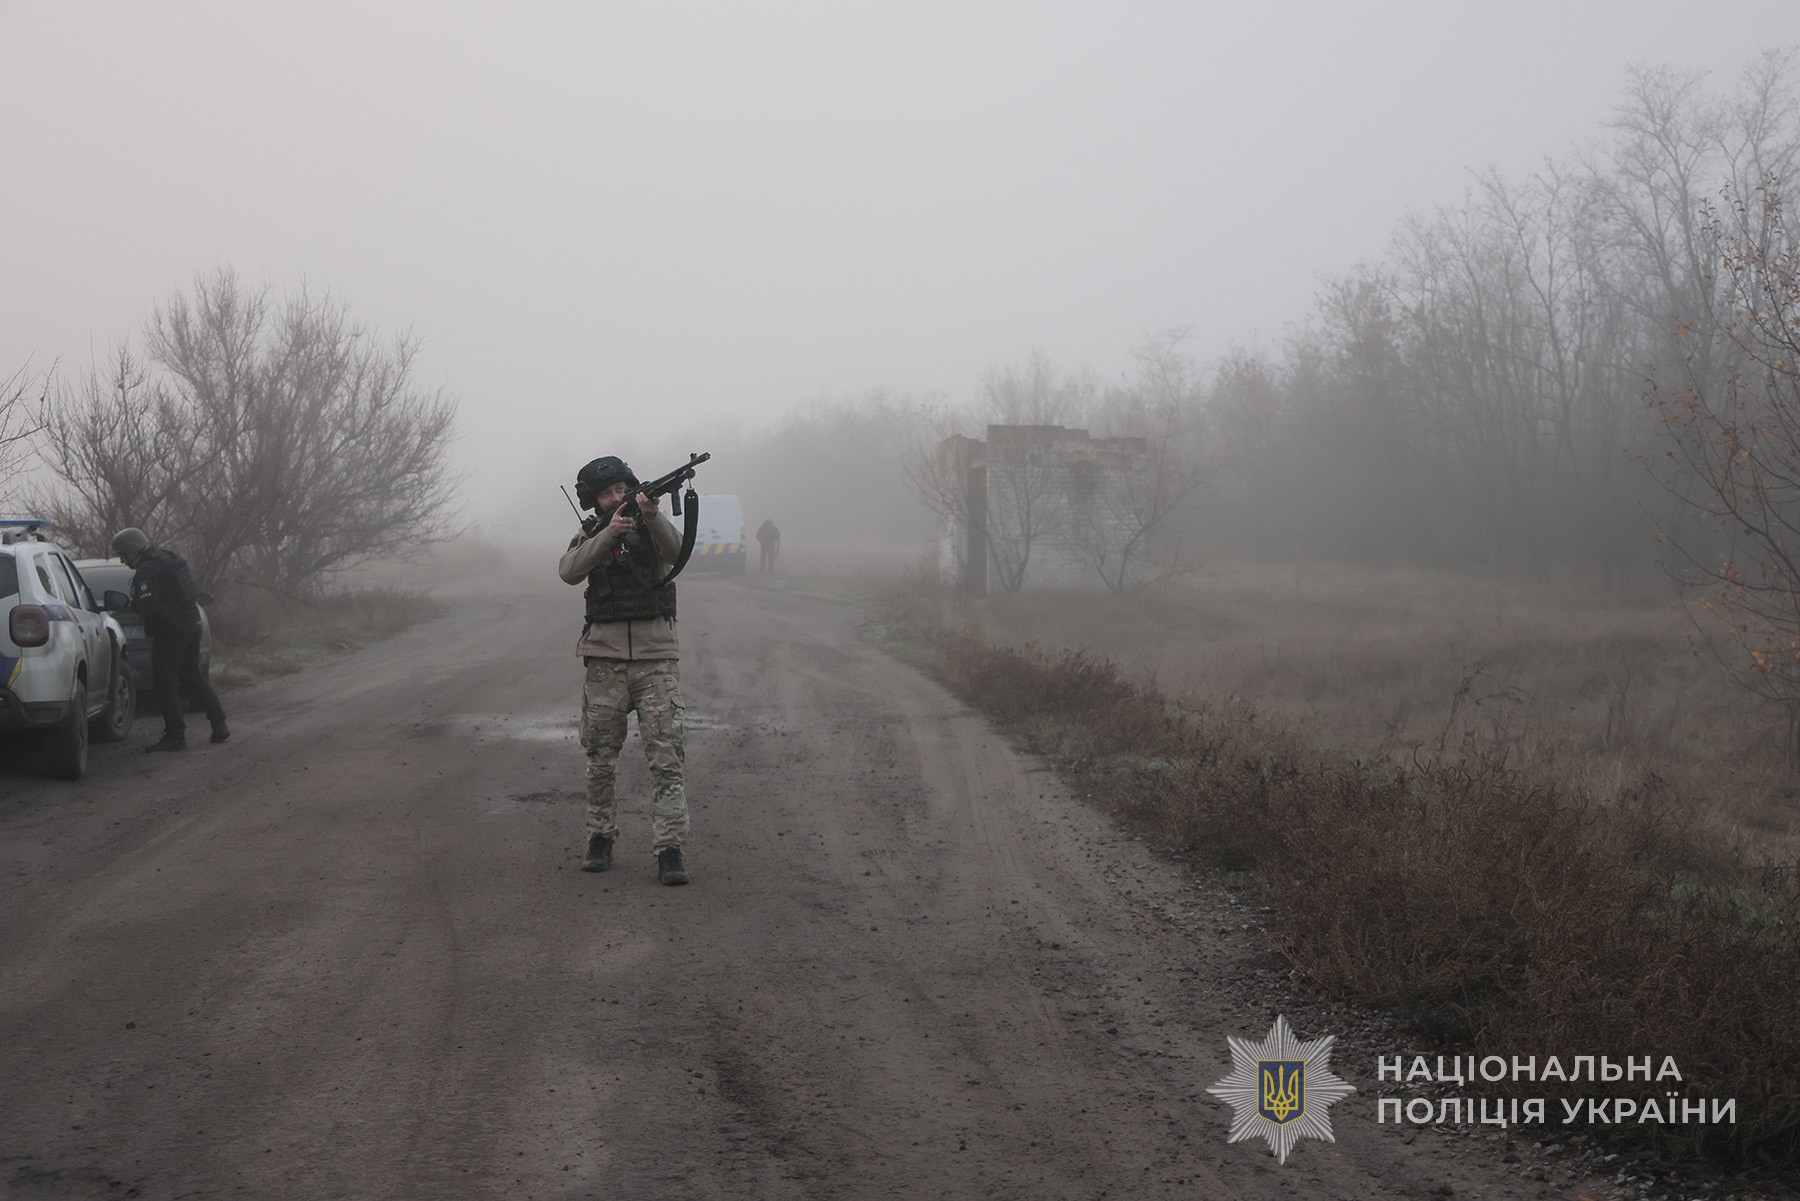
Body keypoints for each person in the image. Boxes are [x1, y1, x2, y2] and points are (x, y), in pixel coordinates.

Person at [557, 456, 691, 886]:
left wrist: (652, 517)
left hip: (656, 660)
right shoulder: (590, 532)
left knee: (667, 758)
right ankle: (600, 838)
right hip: (605, 661)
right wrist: (607, 536)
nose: (616, 497)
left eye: (621, 489)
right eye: (605, 493)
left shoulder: (652, 525)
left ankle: (670, 850)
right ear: (594, 501)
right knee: (600, 758)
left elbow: (678, 552)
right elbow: (569, 571)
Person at [109, 527, 229, 753]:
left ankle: (175, 736)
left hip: (173, 632)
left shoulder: (147, 570)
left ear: (133, 550)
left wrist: (163, 627)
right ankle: (219, 723)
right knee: (192, 675)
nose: (123, 561)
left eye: (123, 555)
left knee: (165, 680)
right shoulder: (168, 558)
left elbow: (151, 608)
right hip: (193, 624)